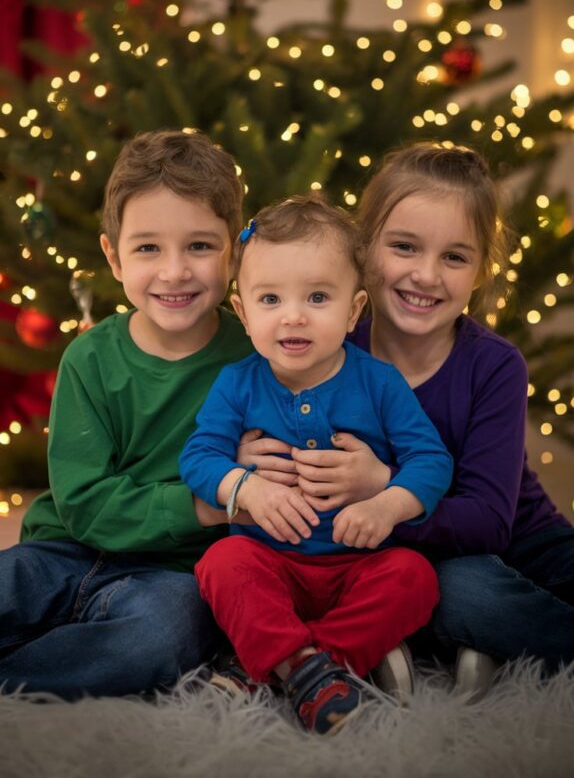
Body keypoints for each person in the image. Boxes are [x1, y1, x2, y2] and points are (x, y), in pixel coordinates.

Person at [240, 143, 574, 697]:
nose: (426, 275)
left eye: (455, 257)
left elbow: (491, 522)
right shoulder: (325, 349)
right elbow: (268, 425)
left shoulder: (493, 365)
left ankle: (484, 641)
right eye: (404, 247)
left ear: (481, 270)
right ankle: (474, 636)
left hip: (523, 540)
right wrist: (249, 461)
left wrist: (382, 489)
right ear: (365, 248)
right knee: (460, 593)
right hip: (416, 566)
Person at [179, 195, 453, 734]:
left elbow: (431, 460)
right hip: (269, 560)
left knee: (414, 578)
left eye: (318, 297)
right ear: (243, 310)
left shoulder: (379, 382)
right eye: (271, 298)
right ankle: (312, 671)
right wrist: (246, 490)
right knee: (221, 564)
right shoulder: (237, 383)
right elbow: (200, 457)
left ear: (353, 311)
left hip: (357, 563)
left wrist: (387, 504)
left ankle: (297, 664)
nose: (293, 315)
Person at [0, 129, 253, 700]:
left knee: (160, 639)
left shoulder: (255, 358)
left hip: (171, 578)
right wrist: (203, 504)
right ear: (113, 256)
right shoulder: (89, 358)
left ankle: (19, 680)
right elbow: (85, 503)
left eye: (199, 246)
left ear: (234, 252)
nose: (174, 272)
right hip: (62, 550)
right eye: (147, 248)